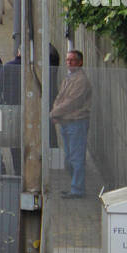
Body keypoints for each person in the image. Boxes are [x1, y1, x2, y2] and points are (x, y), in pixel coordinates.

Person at [50, 49, 92, 198]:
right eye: (67, 60)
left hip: (77, 123)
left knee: (76, 157)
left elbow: (72, 102)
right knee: (68, 158)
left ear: (80, 62)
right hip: (66, 122)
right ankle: (75, 186)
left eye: (72, 60)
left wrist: (54, 113)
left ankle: (77, 189)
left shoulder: (81, 80)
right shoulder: (69, 77)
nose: (69, 63)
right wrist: (56, 112)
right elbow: (60, 97)